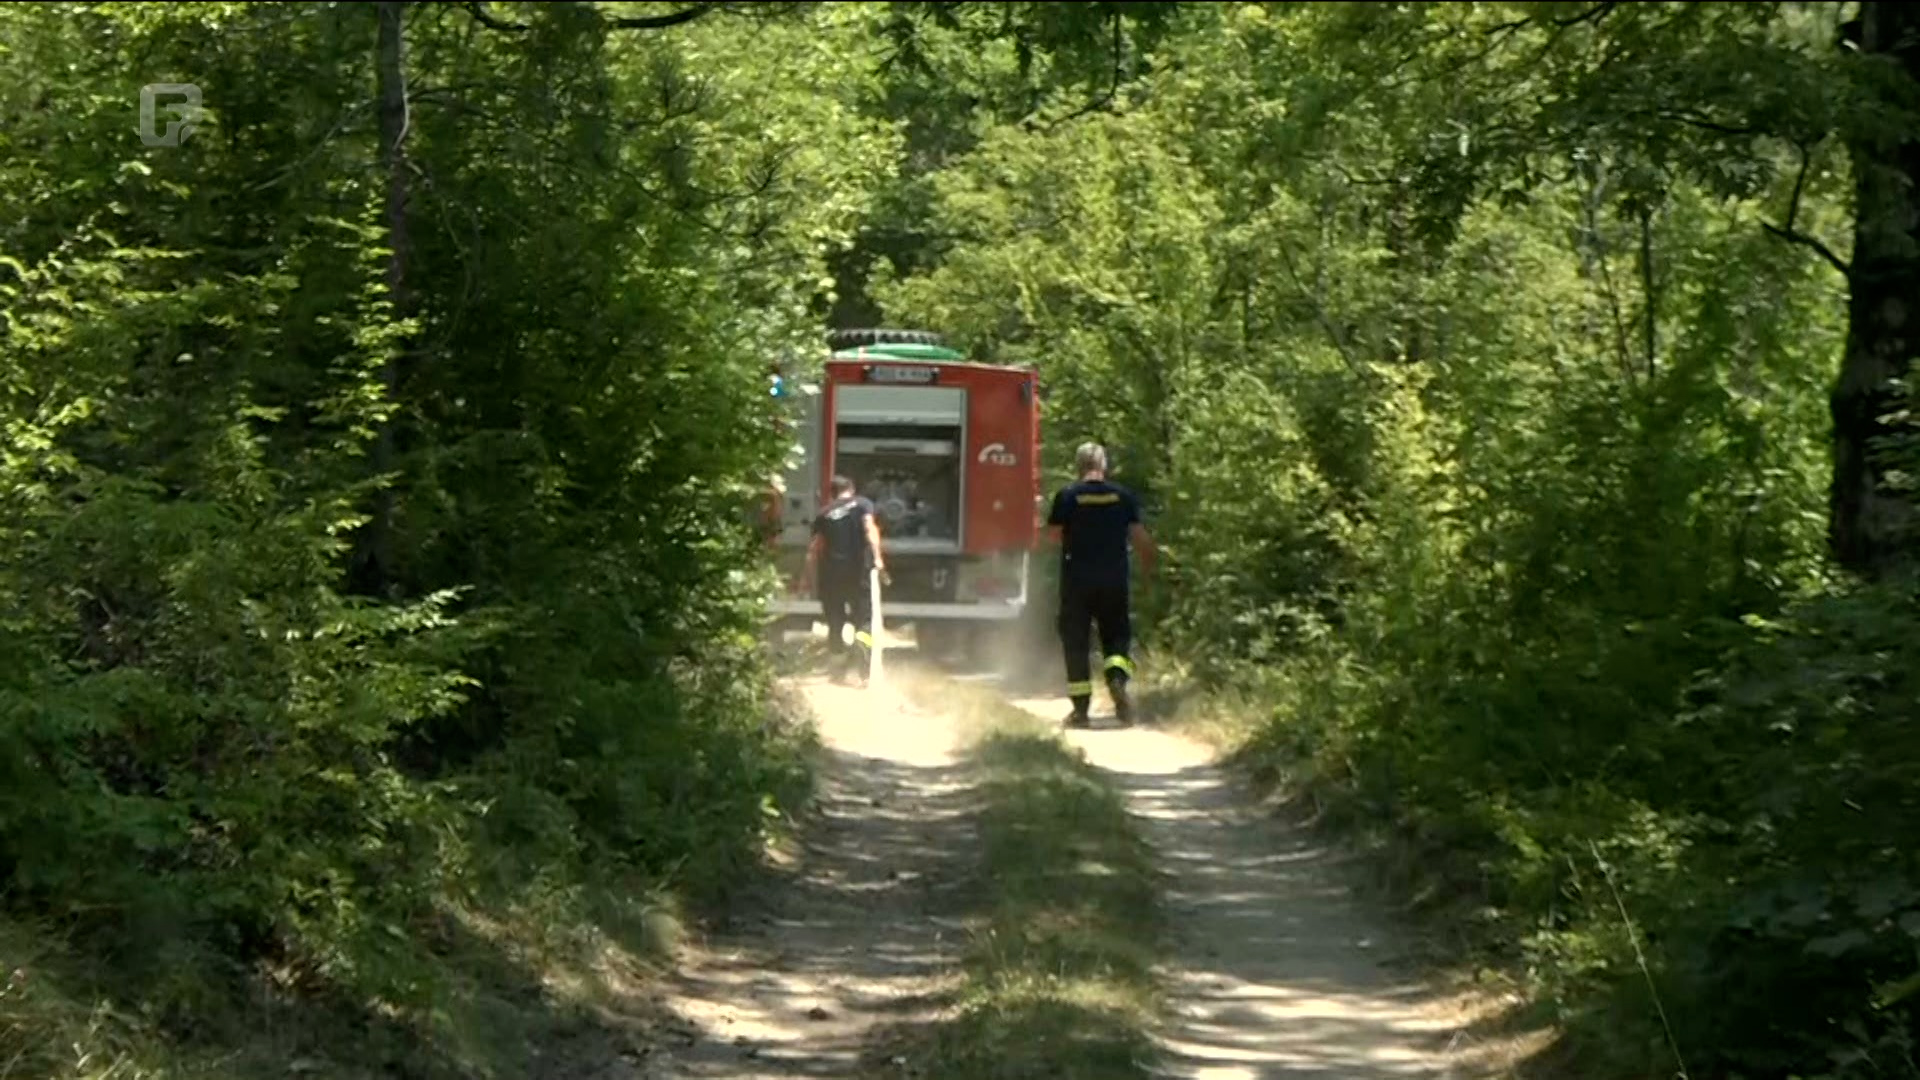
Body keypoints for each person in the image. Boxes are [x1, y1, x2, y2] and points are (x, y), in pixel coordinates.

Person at [1046, 442, 1155, 728]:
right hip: (1114, 581)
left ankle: (1081, 711)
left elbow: (1053, 537)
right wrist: (1148, 575)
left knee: (1076, 644)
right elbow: (1142, 540)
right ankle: (1118, 681)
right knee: (1117, 638)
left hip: (1076, 583)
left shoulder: (1067, 497)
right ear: (1103, 465)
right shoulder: (1123, 497)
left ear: (1078, 465)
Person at [803, 475, 886, 682]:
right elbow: (869, 529)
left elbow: (813, 551)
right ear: (852, 488)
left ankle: (837, 670)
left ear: (831, 493)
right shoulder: (863, 504)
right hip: (859, 575)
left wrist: (808, 582)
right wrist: (877, 558)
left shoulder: (823, 514)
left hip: (831, 576)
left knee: (835, 622)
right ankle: (864, 673)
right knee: (864, 622)